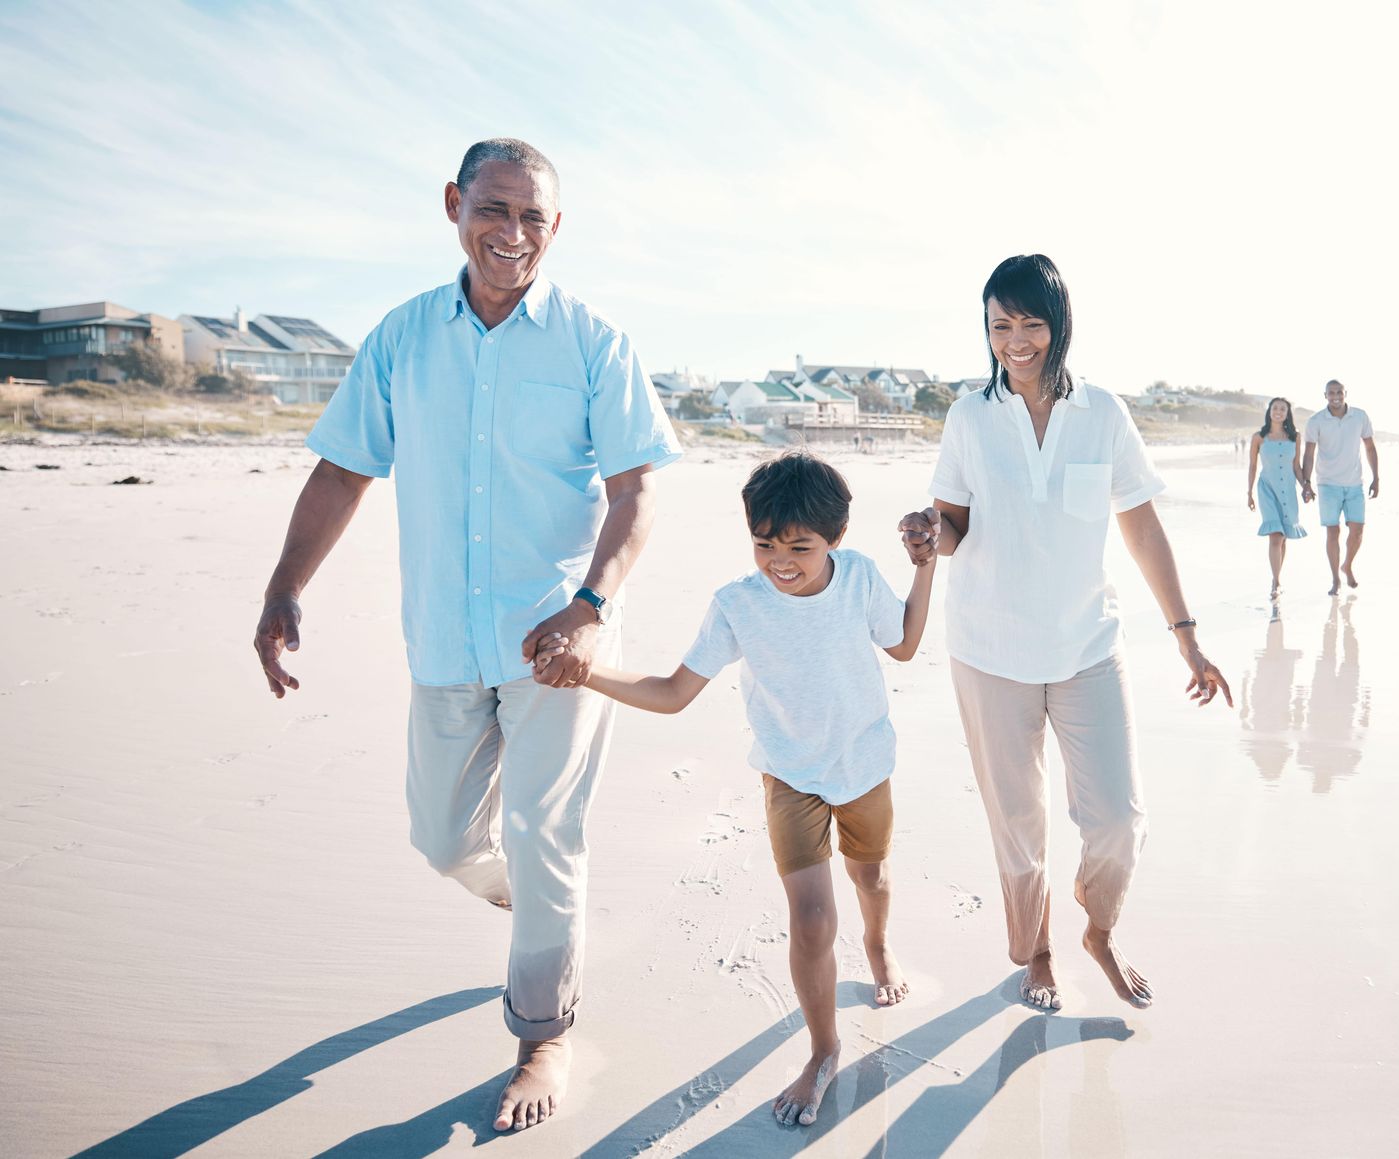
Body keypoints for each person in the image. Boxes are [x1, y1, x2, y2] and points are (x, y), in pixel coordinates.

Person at [249, 138, 681, 1133]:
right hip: (444, 637)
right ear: (454, 205)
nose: (513, 234)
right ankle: (528, 902)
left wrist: (591, 607)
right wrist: (284, 585)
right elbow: (344, 469)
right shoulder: (403, 339)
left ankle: (544, 1032)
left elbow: (638, 487)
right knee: (442, 836)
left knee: (544, 832)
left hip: (563, 643)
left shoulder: (592, 341)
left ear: (556, 230)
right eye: (495, 209)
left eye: (535, 218)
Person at [537, 450, 934, 1128]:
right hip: (789, 777)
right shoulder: (737, 605)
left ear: (834, 538)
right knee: (811, 918)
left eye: (800, 547)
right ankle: (823, 1047)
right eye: (764, 544)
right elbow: (671, 693)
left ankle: (878, 943)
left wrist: (928, 566)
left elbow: (901, 645)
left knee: (870, 877)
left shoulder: (860, 575)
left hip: (865, 763)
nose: (781, 560)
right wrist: (588, 672)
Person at [897, 254, 1231, 1012]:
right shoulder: (968, 416)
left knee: (1119, 817)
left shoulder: (1103, 413)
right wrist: (928, 534)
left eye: (1031, 324)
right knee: (1018, 823)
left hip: (1087, 647)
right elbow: (953, 525)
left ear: (1059, 326)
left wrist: (1186, 634)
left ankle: (1098, 925)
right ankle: (1037, 951)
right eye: (1000, 325)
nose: (1016, 341)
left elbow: (1141, 525)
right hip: (989, 650)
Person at [1300, 379, 1379, 596]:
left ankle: (1347, 565)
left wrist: (1376, 477)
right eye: (1331, 392)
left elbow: (1370, 447)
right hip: (1327, 484)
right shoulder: (1316, 421)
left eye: (1339, 392)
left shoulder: (1360, 416)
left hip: (1355, 483)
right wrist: (1306, 483)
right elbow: (1308, 454)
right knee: (1332, 531)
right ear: (1324, 395)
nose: (1335, 396)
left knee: (1358, 530)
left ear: (1345, 393)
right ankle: (1335, 579)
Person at [1245, 396, 1309, 599]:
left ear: (1287, 413)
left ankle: (1276, 578)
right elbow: (1253, 466)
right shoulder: (1259, 437)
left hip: (1288, 490)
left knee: (1283, 538)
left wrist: (1306, 487)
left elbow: (1296, 466)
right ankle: (1277, 582)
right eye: (1275, 408)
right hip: (1267, 490)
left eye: (1283, 409)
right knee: (1276, 535)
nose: (1278, 411)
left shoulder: (1295, 437)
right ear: (1269, 411)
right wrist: (1249, 493)